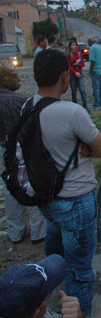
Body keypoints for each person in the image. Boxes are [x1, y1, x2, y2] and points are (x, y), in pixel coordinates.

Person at [30, 49, 101, 318]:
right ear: (65, 76)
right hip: (76, 200)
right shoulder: (71, 112)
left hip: (46, 198)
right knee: (80, 270)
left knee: (54, 256)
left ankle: (45, 315)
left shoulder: (27, 107)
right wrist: (83, 144)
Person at [0, 63, 46, 245]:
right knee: (31, 184)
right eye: (15, 77)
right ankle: (38, 232)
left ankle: (16, 233)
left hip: (3, 150)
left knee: (10, 189)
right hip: (22, 147)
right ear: (4, 80)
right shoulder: (18, 101)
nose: (18, 80)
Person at [66, 40, 88, 109]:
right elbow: (68, 66)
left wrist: (79, 64)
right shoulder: (68, 55)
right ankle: (74, 106)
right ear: (70, 46)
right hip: (72, 74)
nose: (74, 46)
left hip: (79, 73)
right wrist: (75, 72)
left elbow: (83, 64)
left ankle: (85, 106)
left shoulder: (79, 54)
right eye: (73, 45)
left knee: (82, 90)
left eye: (75, 45)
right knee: (74, 91)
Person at [87, 37, 101, 108]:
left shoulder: (92, 48)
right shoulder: (100, 47)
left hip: (95, 70)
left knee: (96, 88)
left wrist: (91, 70)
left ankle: (96, 104)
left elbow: (92, 61)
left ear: (90, 41)